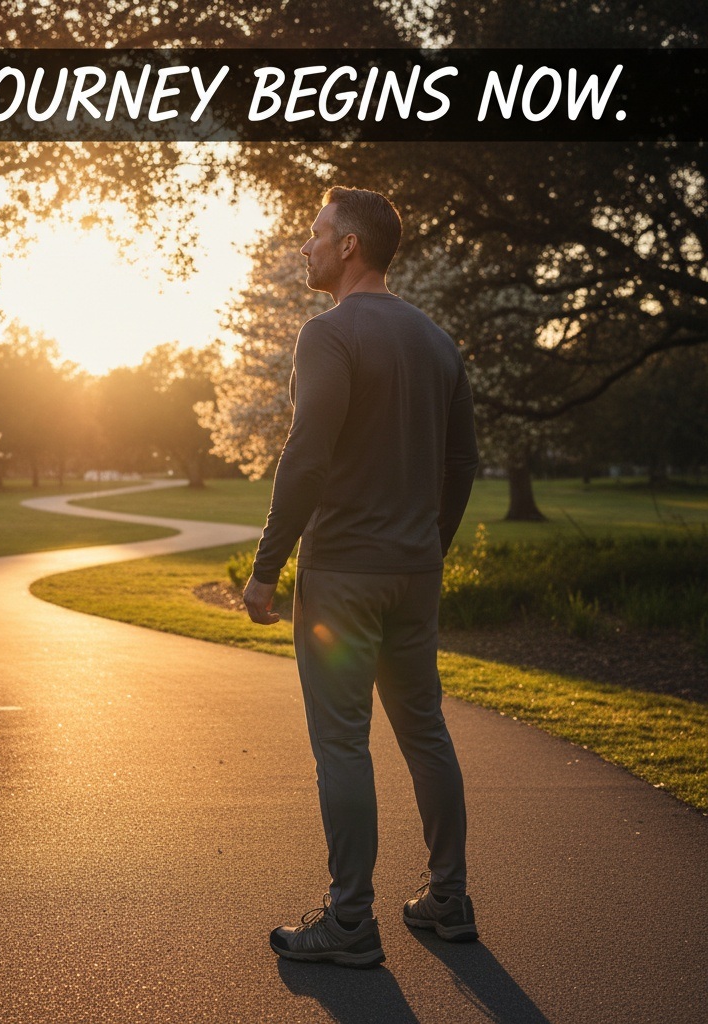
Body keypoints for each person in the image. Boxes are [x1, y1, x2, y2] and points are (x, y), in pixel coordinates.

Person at [243, 186, 480, 968]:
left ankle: (349, 921)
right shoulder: (440, 342)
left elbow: (307, 454)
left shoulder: (329, 334)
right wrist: (428, 544)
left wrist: (266, 568)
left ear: (350, 247)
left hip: (342, 576)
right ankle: (448, 901)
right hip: (414, 573)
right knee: (426, 733)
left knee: (343, 745)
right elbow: (462, 464)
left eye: (316, 234)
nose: (305, 247)